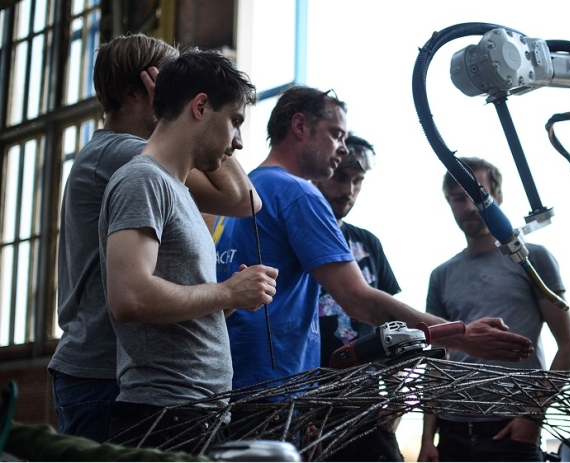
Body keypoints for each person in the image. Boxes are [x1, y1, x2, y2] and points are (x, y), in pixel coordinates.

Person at [212, 85, 534, 399]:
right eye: (336, 134)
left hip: (229, 381)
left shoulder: (244, 192)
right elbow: (359, 300)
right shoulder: (298, 194)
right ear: (299, 126)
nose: (342, 147)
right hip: (272, 389)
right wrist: (461, 335)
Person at [47, 34, 262, 443]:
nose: (237, 139)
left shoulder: (156, 174)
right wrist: (180, 104)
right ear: (140, 91)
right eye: (165, 83)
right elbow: (241, 198)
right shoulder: (127, 157)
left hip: (120, 373)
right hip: (102, 374)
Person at [98, 49, 278, 449]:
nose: (239, 141)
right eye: (235, 121)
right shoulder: (143, 181)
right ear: (200, 106)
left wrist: (232, 296)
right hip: (163, 415)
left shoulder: (175, 190)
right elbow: (129, 298)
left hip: (192, 413)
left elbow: (174, 300)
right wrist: (227, 292)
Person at [418, 157, 570, 462]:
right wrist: (428, 437)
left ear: (498, 197)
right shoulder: (441, 276)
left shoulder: (533, 259)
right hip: (451, 435)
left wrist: (534, 415)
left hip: (511, 432)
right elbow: (436, 361)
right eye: (457, 199)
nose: (468, 207)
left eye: (476, 196)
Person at [312, 133, 404, 461]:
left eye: (358, 181)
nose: (349, 190)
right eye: (341, 177)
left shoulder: (368, 243)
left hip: (368, 404)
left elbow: (394, 329)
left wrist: (395, 404)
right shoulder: (293, 234)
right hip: (308, 405)